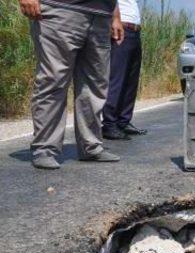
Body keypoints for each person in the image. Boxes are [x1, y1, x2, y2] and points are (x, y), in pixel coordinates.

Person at [19, 0, 124, 170]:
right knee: (53, 80)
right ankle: (45, 148)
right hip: (60, 9)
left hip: (102, 15)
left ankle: (91, 146)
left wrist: (115, 15)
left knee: (95, 85)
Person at [102, 0, 148, 140]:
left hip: (134, 30)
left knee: (131, 79)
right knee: (117, 77)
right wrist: (113, 20)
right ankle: (109, 123)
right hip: (121, 27)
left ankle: (123, 121)